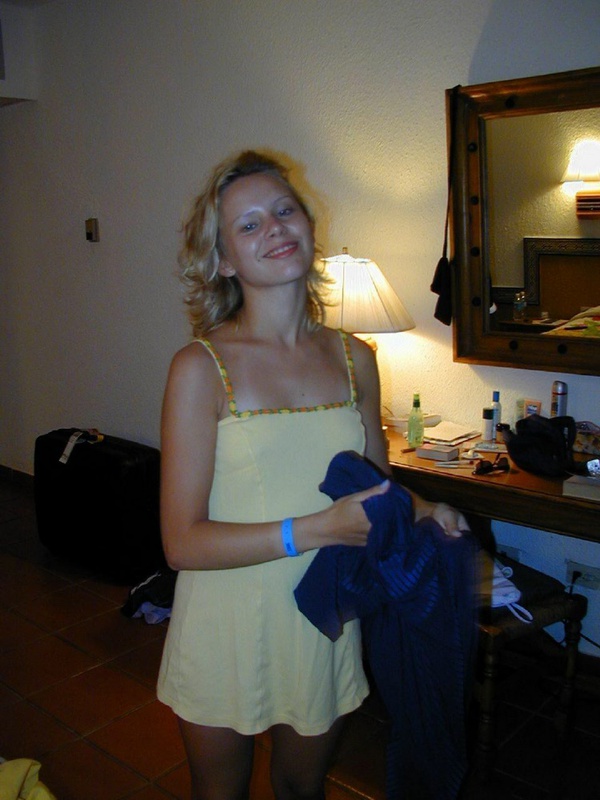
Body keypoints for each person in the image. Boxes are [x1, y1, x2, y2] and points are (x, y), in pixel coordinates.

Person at [157, 150, 468, 800]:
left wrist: (423, 511)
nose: (273, 227)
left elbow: (375, 489)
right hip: (225, 621)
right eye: (248, 225)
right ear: (223, 260)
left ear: (309, 224)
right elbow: (181, 542)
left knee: (303, 787)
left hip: (323, 620)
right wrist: (317, 528)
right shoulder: (199, 367)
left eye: (284, 210)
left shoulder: (357, 358)